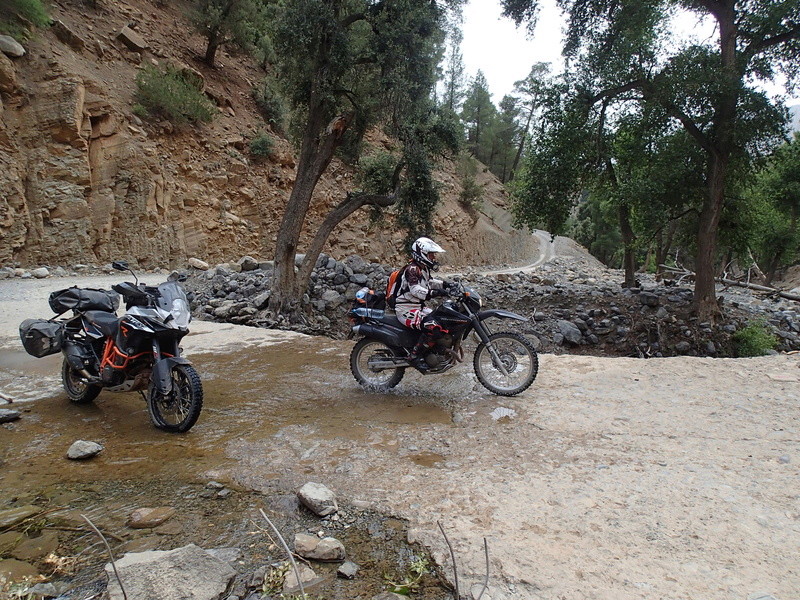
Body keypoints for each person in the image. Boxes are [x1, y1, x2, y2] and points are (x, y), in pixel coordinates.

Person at [394, 237, 451, 364]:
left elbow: (429, 282)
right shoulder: (412, 269)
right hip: (405, 309)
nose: (433, 258)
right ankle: (414, 355)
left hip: (417, 307)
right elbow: (415, 290)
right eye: (431, 255)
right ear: (422, 254)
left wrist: (446, 285)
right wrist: (434, 293)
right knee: (432, 326)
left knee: (442, 319)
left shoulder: (422, 268)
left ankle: (434, 351)